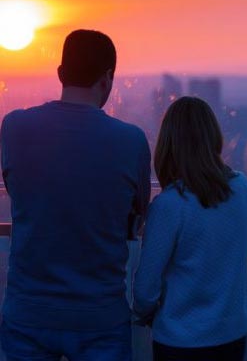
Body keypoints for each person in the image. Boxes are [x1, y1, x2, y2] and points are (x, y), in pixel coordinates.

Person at [0, 29, 151, 360]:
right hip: (100, 317)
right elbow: (139, 213)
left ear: (60, 73)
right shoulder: (131, 141)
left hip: (29, 312)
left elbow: (19, 190)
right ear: (108, 79)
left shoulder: (14, 128)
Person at [133, 96, 247, 361]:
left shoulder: (169, 204)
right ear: (213, 136)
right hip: (232, 333)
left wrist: (146, 312)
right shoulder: (241, 187)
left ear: (169, 145)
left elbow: (146, 289)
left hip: (179, 341)